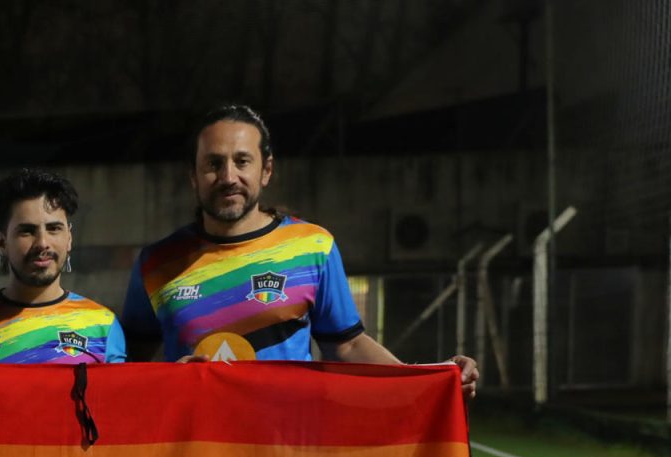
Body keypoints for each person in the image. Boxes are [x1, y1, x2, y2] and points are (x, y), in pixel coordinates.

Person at [121, 103, 479, 397]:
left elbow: (348, 346)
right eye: (213, 163)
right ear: (193, 176)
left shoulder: (311, 248)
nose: (229, 176)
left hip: (285, 454)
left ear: (266, 170)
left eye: (242, 161)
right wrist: (165, 377)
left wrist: (430, 381)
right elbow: (127, 369)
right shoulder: (157, 263)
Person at [0, 169, 126, 364]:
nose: (42, 243)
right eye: (27, 231)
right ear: (2, 243)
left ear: (69, 238)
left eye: (54, 229)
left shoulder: (104, 327)